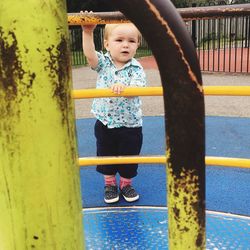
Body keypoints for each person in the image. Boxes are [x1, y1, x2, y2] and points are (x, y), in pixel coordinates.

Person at [81, 19, 146, 204]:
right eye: (119, 40)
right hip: (105, 122)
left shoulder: (137, 68)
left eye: (131, 41)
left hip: (130, 124)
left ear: (137, 46)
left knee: (129, 156)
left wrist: (125, 87)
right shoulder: (103, 63)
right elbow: (90, 56)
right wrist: (87, 32)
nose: (125, 44)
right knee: (106, 155)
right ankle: (110, 184)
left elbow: (137, 89)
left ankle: (126, 184)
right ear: (107, 44)